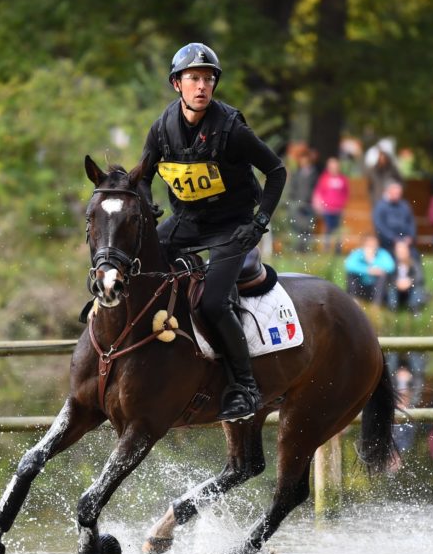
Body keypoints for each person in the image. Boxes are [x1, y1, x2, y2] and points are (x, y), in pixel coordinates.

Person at [139, 43, 286, 421]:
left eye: (207, 79)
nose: (202, 86)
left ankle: (245, 387)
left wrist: (258, 223)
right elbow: (142, 177)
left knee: (212, 303)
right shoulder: (162, 128)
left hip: (231, 226)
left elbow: (277, 171)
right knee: (140, 263)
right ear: (177, 84)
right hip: (187, 221)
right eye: (193, 79)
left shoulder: (232, 129)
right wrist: (146, 204)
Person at [311, 157, 349, 252]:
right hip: (327, 209)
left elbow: (346, 193)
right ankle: (326, 250)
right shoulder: (324, 178)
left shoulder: (342, 179)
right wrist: (321, 205)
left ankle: (338, 250)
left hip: (338, 209)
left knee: (338, 231)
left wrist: (343, 204)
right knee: (327, 230)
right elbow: (319, 192)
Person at [344, 234, 394, 306]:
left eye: (374, 244)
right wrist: (367, 270)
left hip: (375, 287)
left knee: (383, 276)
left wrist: (372, 262)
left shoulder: (382, 253)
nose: (371, 246)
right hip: (360, 286)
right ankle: (355, 301)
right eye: (369, 244)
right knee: (351, 275)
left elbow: (390, 267)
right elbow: (349, 265)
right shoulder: (358, 253)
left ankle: (376, 304)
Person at [285, 146, 318, 251]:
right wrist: (293, 201)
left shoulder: (314, 174)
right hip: (297, 204)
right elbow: (292, 188)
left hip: (309, 204)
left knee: (308, 227)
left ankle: (306, 249)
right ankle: (297, 248)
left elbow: (316, 189)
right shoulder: (297, 174)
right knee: (297, 227)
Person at [373, 181, 416, 254]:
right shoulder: (380, 206)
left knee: (414, 258)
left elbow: (411, 222)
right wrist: (394, 239)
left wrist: (410, 236)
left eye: (399, 193)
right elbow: (379, 225)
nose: (398, 195)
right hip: (387, 244)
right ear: (388, 192)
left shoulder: (404, 205)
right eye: (396, 193)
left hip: (406, 241)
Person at [387, 241, 425, 312]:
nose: (402, 253)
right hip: (397, 290)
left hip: (410, 290)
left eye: (403, 251)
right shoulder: (392, 264)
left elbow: (420, 277)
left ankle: (415, 308)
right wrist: (396, 283)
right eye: (399, 251)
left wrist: (410, 281)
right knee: (391, 288)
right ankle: (392, 309)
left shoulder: (414, 263)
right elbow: (389, 278)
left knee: (417, 286)